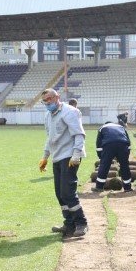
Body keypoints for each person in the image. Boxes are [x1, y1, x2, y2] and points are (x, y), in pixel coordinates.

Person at [38, 88, 88, 237]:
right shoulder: (48, 115)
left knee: (68, 192)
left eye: (49, 99)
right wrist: (45, 157)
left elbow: (79, 134)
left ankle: (81, 223)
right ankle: (69, 224)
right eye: (45, 101)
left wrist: (76, 155)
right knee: (59, 193)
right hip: (57, 156)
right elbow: (50, 137)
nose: (47, 102)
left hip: (70, 155)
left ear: (57, 97)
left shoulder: (69, 112)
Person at [95, 114, 133, 192]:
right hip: (123, 145)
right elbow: (128, 141)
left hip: (108, 145)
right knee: (124, 165)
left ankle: (99, 187)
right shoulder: (121, 127)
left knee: (104, 165)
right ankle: (127, 188)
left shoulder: (102, 128)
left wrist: (101, 157)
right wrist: (126, 155)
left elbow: (98, 145)